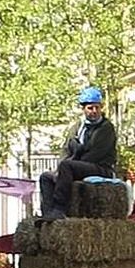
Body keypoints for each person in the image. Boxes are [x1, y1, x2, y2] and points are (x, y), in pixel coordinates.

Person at [38, 87, 117, 220]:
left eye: (97, 107)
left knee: (67, 166)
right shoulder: (77, 127)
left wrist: (71, 165)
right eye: (90, 108)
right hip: (77, 165)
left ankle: (59, 208)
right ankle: (48, 213)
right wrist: (59, 171)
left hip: (100, 167)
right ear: (83, 109)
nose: (94, 111)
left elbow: (95, 155)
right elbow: (65, 149)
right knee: (46, 177)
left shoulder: (106, 128)